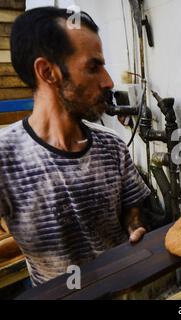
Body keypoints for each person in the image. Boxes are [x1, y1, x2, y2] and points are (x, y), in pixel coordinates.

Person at [0, 7, 151, 287]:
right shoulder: (6, 158)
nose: (108, 81)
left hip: (121, 288)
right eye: (93, 67)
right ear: (47, 72)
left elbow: (132, 207)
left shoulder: (112, 145)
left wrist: (135, 226)